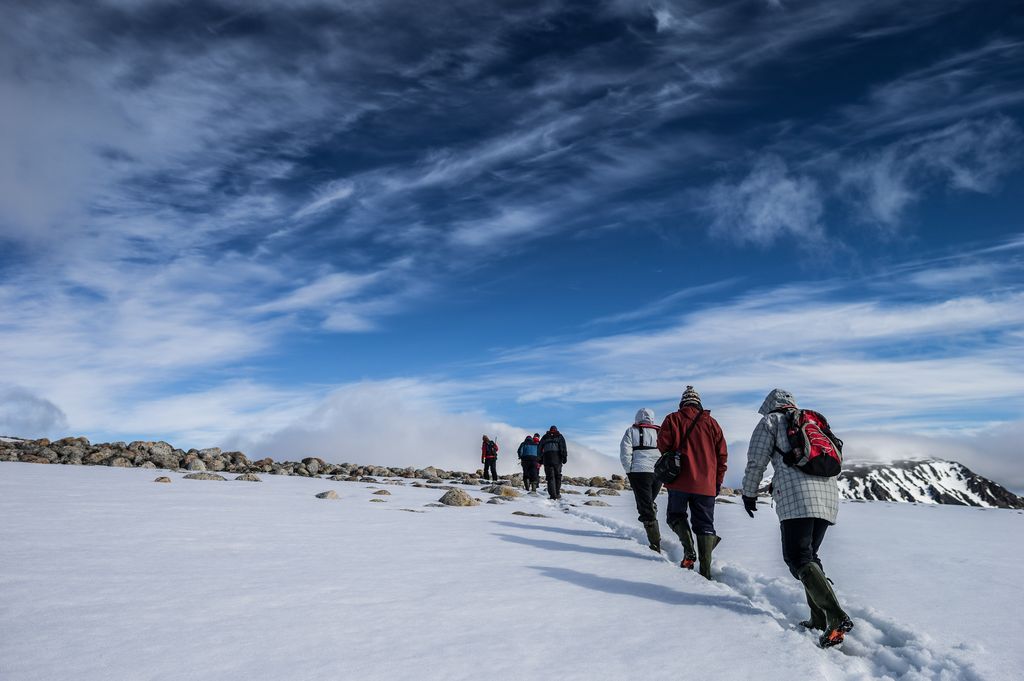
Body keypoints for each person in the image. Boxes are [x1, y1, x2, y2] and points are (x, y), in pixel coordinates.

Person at [740, 388, 853, 648]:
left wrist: (748, 493)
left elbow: (756, 461)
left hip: (796, 498)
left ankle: (835, 616)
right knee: (809, 556)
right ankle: (819, 619)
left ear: (770, 404)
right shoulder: (811, 421)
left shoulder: (770, 421)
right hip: (827, 496)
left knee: (797, 557)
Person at [657, 386, 728, 579]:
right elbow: (722, 456)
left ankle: (689, 552)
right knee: (705, 525)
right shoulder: (712, 424)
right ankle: (705, 572)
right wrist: (717, 482)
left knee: (675, 516)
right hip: (706, 485)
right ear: (698, 403)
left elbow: (663, 446)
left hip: (679, 482)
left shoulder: (672, 419)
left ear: (683, 402)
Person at [620, 408, 663, 552]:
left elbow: (625, 453)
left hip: (639, 472)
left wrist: (629, 471)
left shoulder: (631, 431)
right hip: (658, 473)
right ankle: (654, 536)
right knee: (648, 502)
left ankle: (655, 544)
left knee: (645, 507)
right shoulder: (660, 432)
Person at [538, 426, 567, 500]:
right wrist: (564, 457)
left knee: (550, 477)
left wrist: (540, 459)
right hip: (557, 459)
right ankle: (557, 493)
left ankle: (553, 495)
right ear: (556, 430)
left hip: (547, 459)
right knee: (558, 476)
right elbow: (563, 447)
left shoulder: (545, 437)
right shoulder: (559, 436)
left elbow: (539, 448)